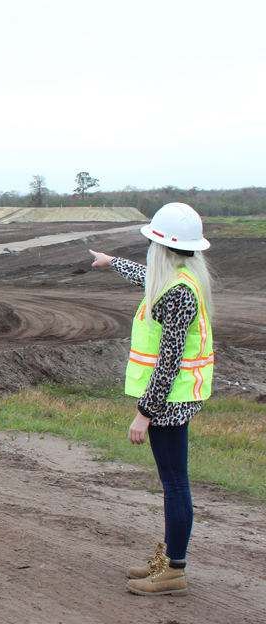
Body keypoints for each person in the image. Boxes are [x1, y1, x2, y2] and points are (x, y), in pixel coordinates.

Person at [89, 202, 213, 597]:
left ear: (161, 246)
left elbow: (169, 361)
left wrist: (144, 413)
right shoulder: (180, 279)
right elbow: (147, 278)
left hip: (169, 402)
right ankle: (170, 559)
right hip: (174, 400)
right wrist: (111, 262)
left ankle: (174, 569)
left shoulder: (177, 295)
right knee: (173, 483)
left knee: (175, 485)